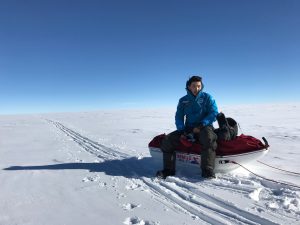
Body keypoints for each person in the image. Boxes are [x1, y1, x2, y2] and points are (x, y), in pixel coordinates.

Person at [156, 75, 219, 179]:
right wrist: (182, 130)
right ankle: (168, 170)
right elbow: (179, 116)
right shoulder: (183, 100)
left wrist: (202, 124)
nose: (196, 88)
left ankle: (207, 169)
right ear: (189, 86)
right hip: (188, 128)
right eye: (194, 86)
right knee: (167, 141)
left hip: (205, 126)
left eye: (199, 86)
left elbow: (213, 112)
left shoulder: (207, 97)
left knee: (208, 138)